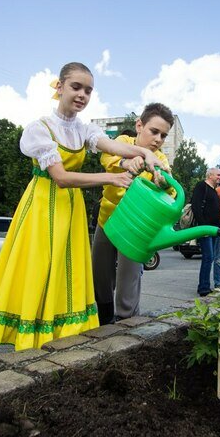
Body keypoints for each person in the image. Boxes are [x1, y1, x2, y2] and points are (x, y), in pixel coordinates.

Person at [0, 62, 168, 349]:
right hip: (43, 204)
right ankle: (31, 335)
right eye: (76, 87)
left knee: (67, 270)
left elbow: (112, 146)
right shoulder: (40, 129)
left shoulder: (84, 129)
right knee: (42, 266)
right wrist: (113, 177)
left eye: (88, 90)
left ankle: (59, 335)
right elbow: (60, 178)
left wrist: (145, 154)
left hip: (71, 208)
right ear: (59, 87)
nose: (82, 95)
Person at [92, 103, 175, 324]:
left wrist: (164, 182)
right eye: (154, 131)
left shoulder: (161, 160)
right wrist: (127, 162)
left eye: (164, 135)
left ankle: (126, 323)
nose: (158, 139)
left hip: (135, 229)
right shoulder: (123, 142)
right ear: (139, 125)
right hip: (108, 219)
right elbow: (107, 159)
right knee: (100, 274)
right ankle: (103, 318)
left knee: (128, 277)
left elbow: (172, 190)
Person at [191, 168, 220, 296]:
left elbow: (216, 212)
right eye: (218, 175)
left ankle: (206, 286)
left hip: (215, 230)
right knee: (208, 257)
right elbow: (196, 207)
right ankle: (203, 287)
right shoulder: (201, 186)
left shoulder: (214, 191)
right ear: (210, 175)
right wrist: (203, 227)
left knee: (213, 257)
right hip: (205, 230)